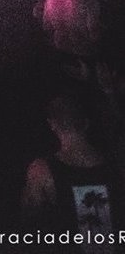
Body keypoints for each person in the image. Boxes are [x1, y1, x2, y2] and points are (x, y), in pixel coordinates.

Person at [22, 94, 125, 238]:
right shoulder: (117, 165)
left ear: (52, 124)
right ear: (86, 122)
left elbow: (30, 219)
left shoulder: (41, 170)